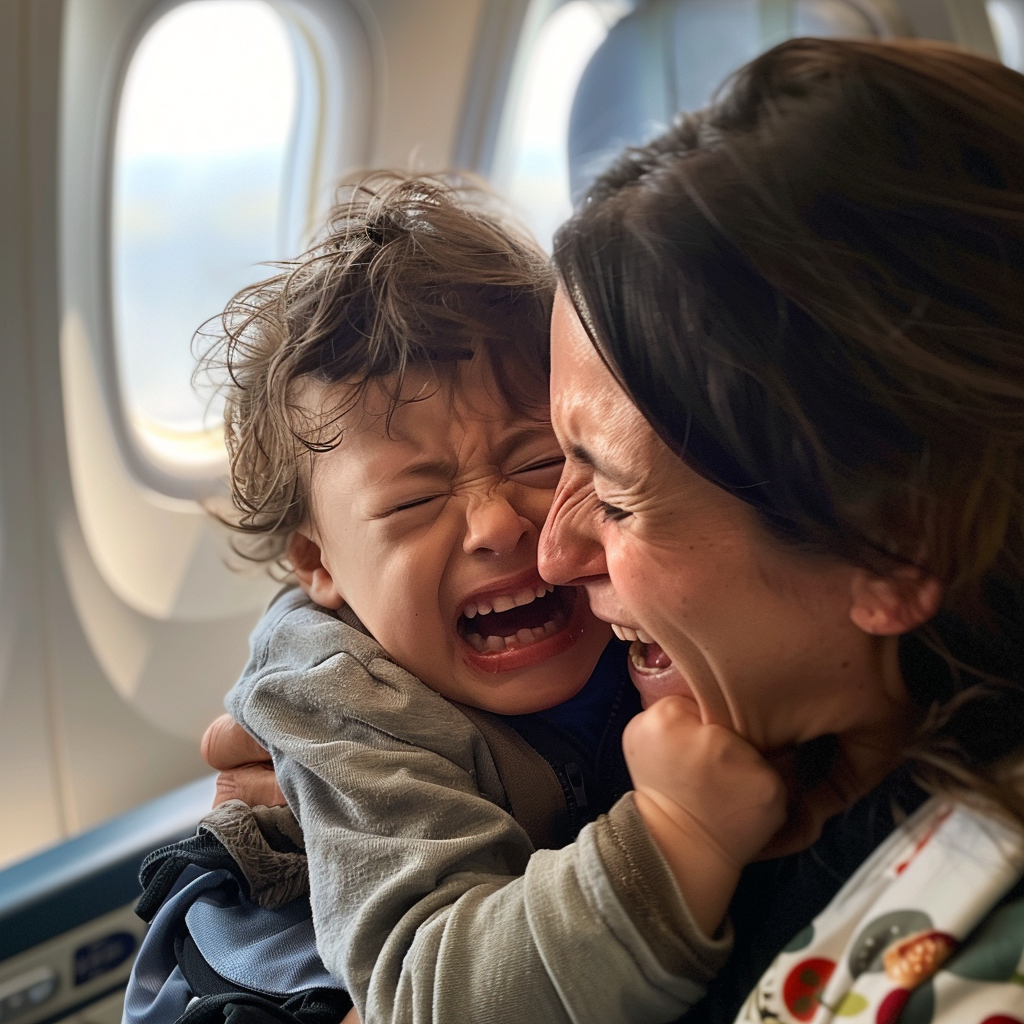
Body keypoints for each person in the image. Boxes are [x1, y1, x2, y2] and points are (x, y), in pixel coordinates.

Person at [209, 37, 1024, 1024]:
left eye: (599, 485)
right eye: (414, 500)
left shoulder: (947, 941)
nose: (540, 545)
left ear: (888, 547)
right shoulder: (362, 706)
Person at [126, 171, 787, 1024]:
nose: (496, 525)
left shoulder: (640, 587)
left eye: (540, 461)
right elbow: (429, 996)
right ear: (318, 567)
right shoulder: (349, 702)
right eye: (410, 503)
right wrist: (675, 838)